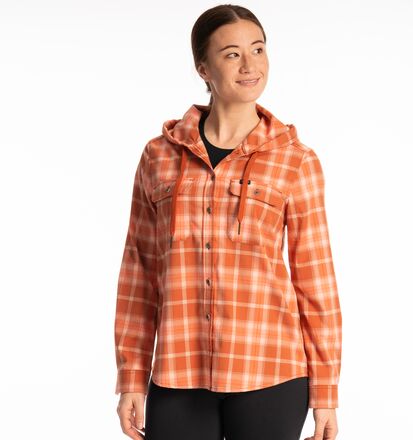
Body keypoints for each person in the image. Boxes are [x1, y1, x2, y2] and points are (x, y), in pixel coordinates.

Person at [114, 4, 342, 440]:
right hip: (179, 372)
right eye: (232, 54)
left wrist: (326, 391)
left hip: (271, 372)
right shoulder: (159, 156)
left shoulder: (296, 160)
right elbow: (138, 274)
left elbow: (315, 281)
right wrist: (131, 376)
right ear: (203, 67)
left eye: (258, 49)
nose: (250, 65)